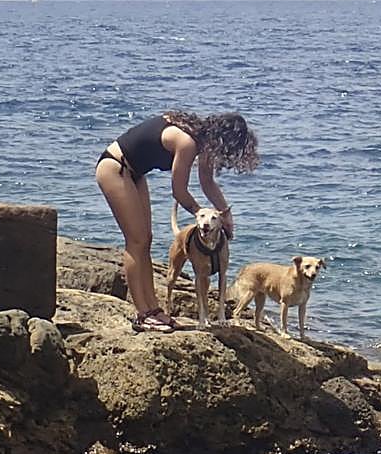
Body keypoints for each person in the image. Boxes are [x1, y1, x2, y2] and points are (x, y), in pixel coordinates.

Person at [95, 110, 259, 332]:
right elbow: (178, 191)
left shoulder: (201, 141)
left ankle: (153, 309)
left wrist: (225, 215)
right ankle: (142, 314)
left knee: (146, 240)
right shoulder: (187, 142)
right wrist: (200, 214)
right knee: (136, 242)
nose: (223, 155)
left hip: (135, 173)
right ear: (221, 140)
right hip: (115, 167)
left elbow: (207, 182)